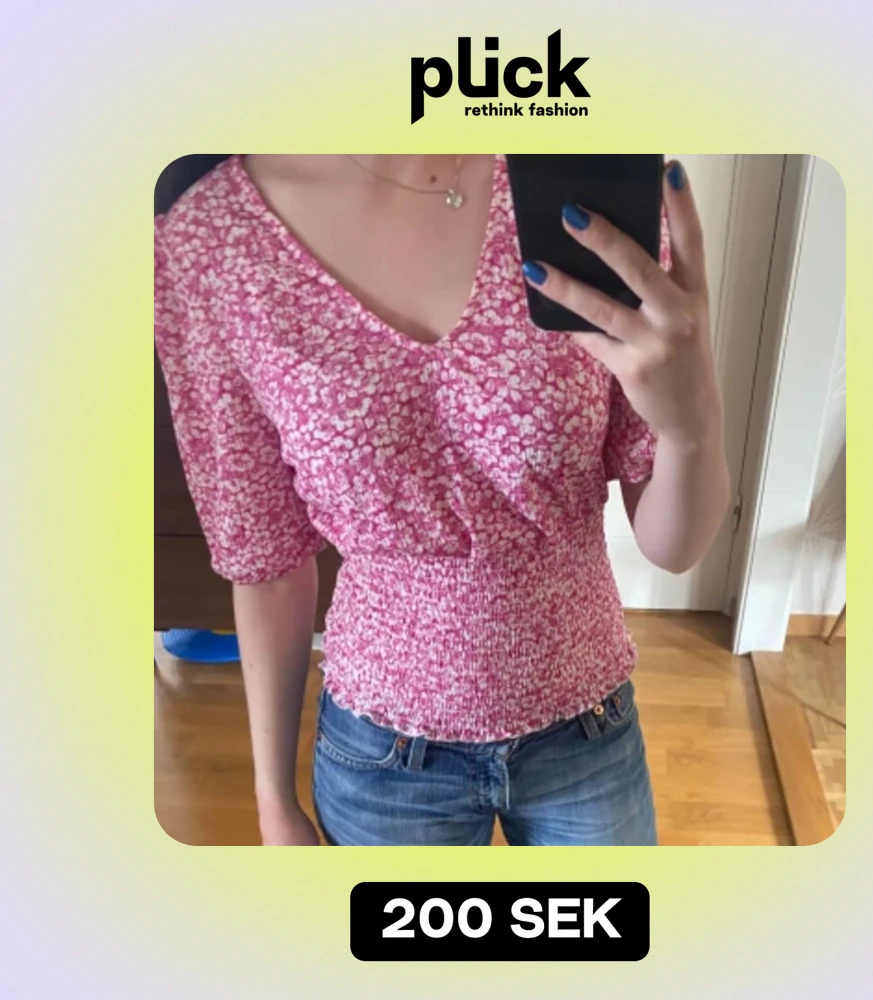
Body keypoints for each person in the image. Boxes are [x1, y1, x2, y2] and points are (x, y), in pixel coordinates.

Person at [153, 153, 730, 846]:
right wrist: (272, 800)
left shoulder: (578, 189)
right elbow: (267, 563)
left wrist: (693, 429)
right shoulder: (214, 240)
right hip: (382, 759)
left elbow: (675, 547)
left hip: (587, 728)